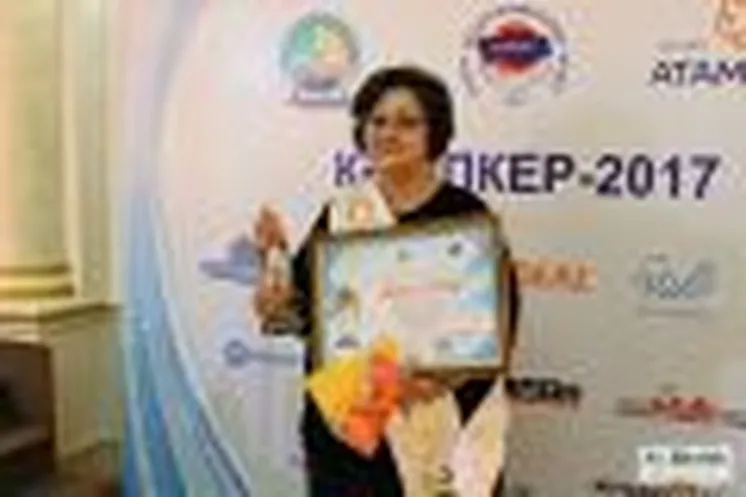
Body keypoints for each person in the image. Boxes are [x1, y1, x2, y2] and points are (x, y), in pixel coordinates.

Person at [253, 65, 521, 496]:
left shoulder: (465, 215)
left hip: (434, 422)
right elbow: (305, 318)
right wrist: (275, 290)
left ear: (436, 133)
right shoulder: (343, 212)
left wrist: (438, 380)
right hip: (350, 432)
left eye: (407, 122)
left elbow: (496, 331)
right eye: (377, 121)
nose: (387, 133)